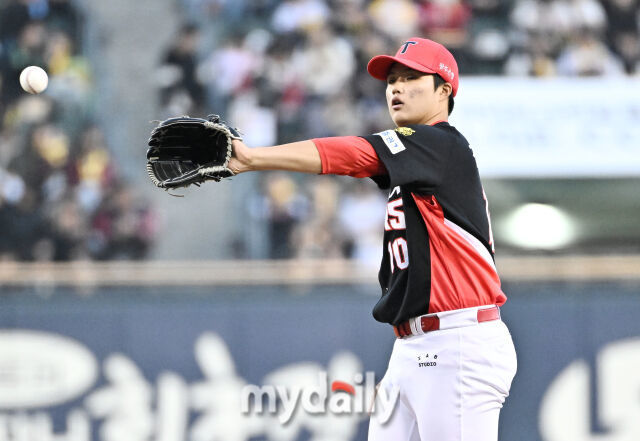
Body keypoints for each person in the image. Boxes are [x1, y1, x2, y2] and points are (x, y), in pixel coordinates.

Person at [229, 37, 517, 441]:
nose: (396, 87)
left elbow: (354, 155)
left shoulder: (440, 144)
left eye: (411, 78)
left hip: (458, 341)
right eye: (392, 80)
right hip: (415, 346)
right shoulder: (419, 162)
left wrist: (254, 158)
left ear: (444, 91)